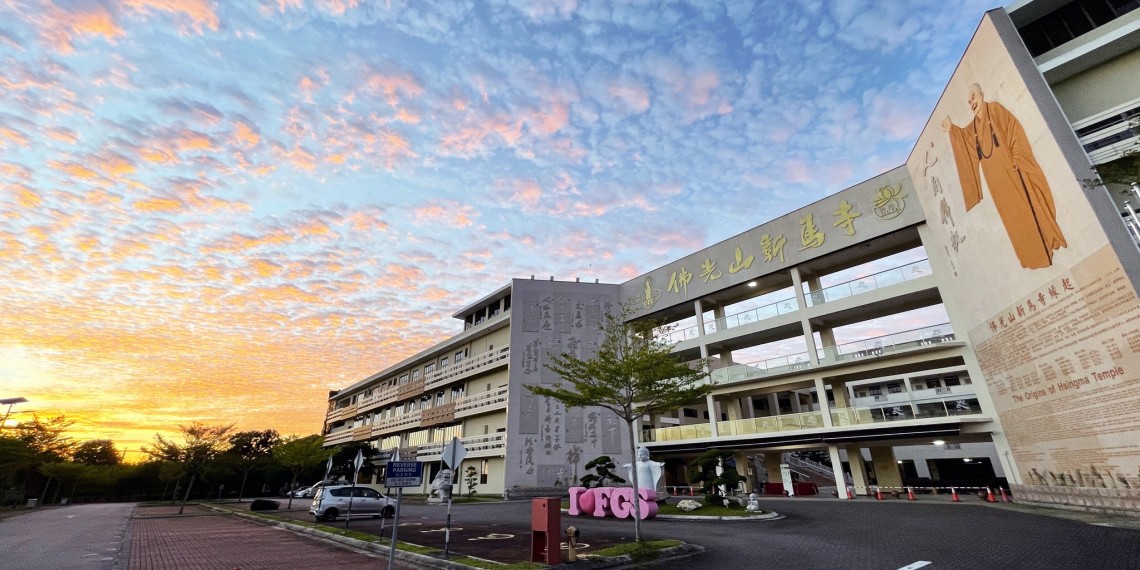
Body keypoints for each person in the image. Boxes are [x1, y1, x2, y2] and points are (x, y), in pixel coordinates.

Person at [941, 83, 1067, 270]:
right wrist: (952, 129)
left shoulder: (995, 109)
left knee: (1028, 208)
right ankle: (1029, 258)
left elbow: (1014, 131)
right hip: (996, 182)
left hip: (1012, 170)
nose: (972, 103)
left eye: (973, 97)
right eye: (969, 101)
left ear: (982, 95)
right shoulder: (974, 127)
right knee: (1012, 220)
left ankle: (1044, 251)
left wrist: (1017, 159)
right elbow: (965, 141)